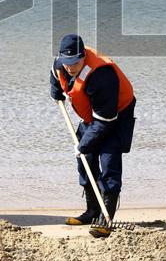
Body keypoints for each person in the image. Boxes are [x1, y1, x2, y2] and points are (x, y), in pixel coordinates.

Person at [50, 34, 136, 237]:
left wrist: (82, 145)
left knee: (109, 159)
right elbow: (55, 77)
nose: (70, 68)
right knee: (85, 160)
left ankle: (105, 218)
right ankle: (92, 211)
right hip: (92, 112)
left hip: (116, 114)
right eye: (66, 62)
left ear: (83, 57)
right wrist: (55, 92)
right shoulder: (60, 64)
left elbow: (105, 122)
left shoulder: (101, 76)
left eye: (75, 63)